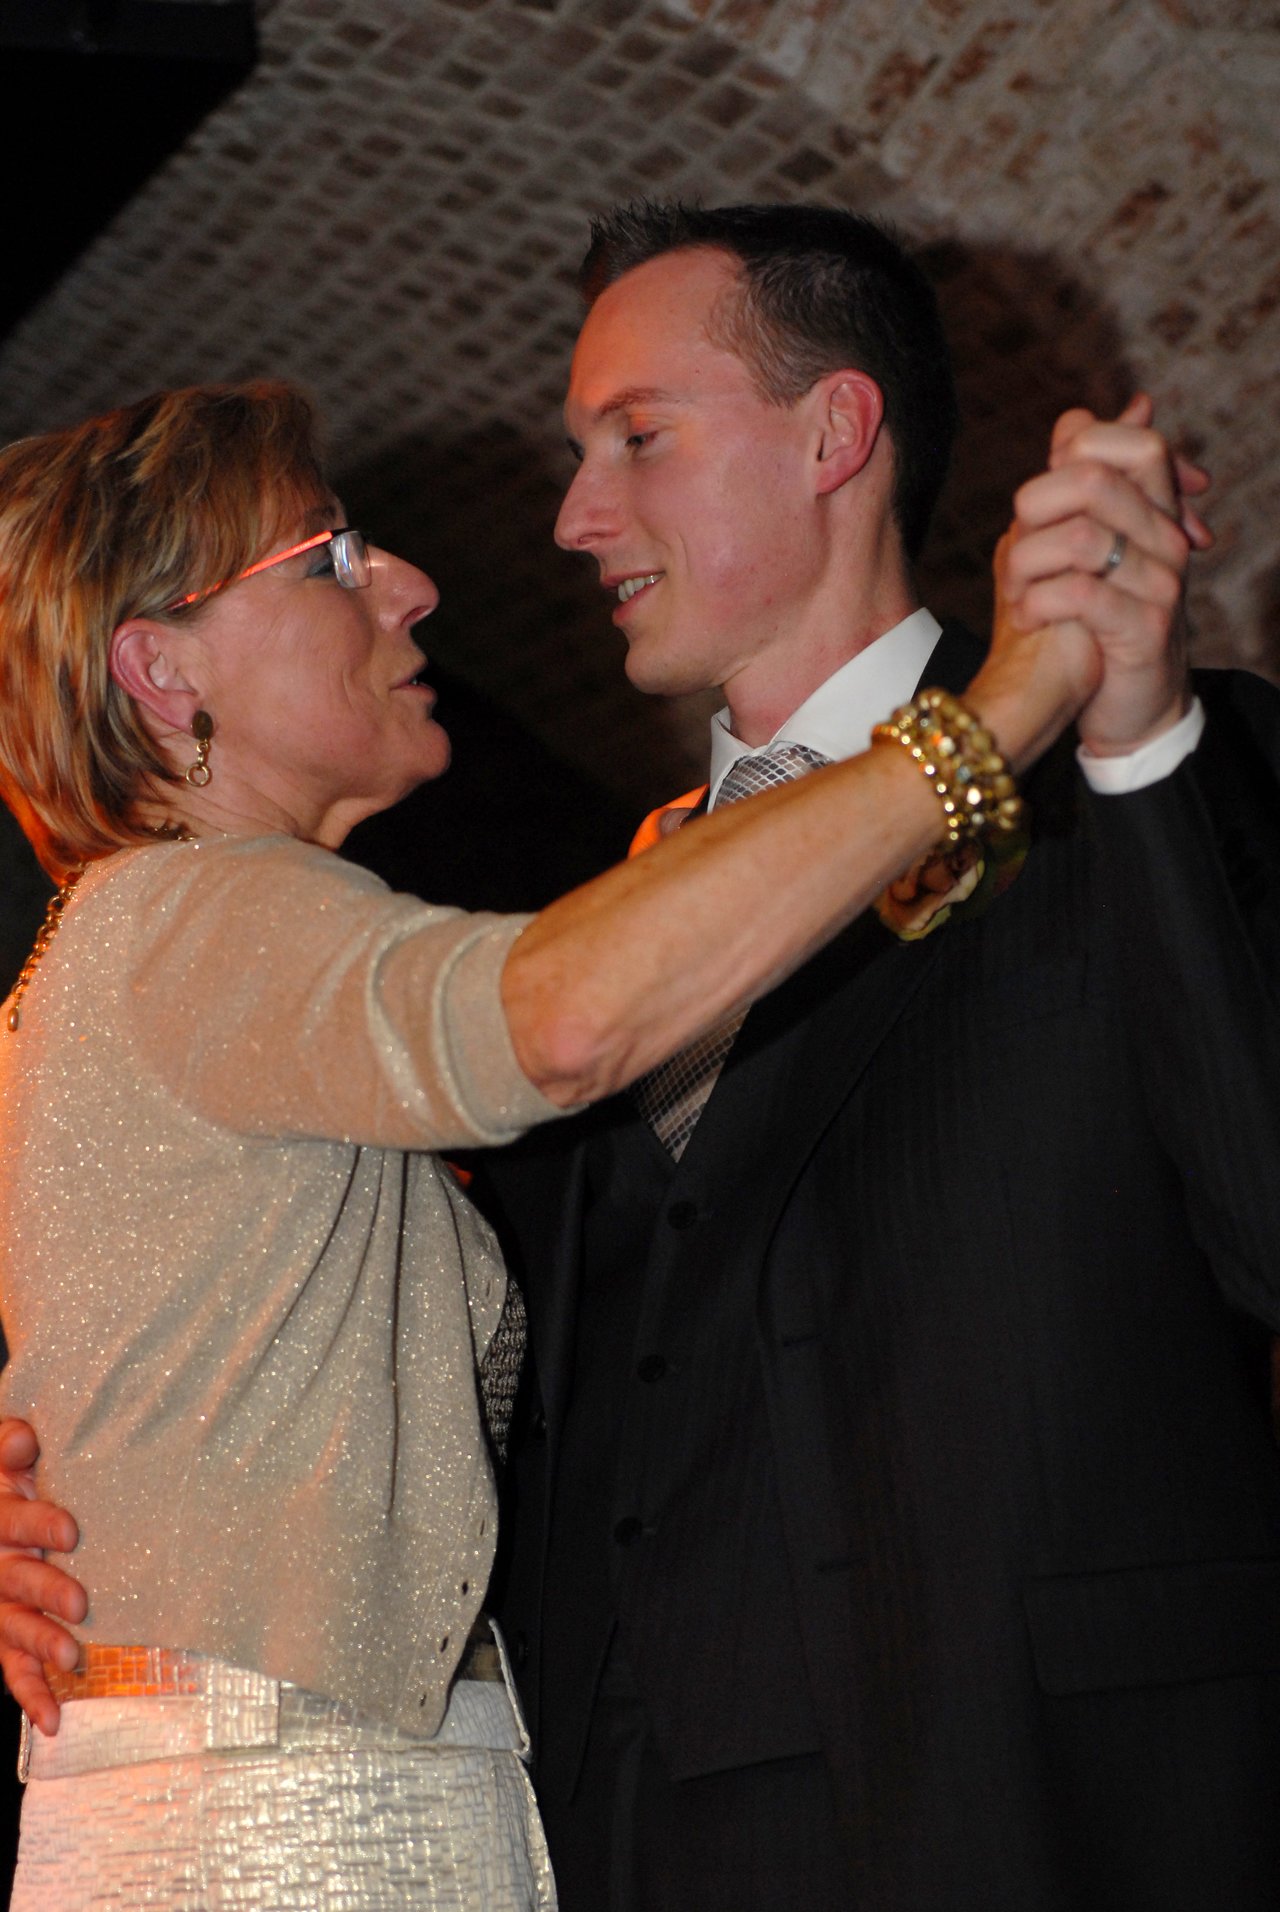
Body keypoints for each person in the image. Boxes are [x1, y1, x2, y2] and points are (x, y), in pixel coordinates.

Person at [3, 202, 1280, 1910]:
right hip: (612, 1838)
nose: (571, 516)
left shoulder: (1154, 766)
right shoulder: (564, 946)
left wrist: (1109, 724)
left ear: (836, 433)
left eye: (638, 440)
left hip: (1057, 1808)